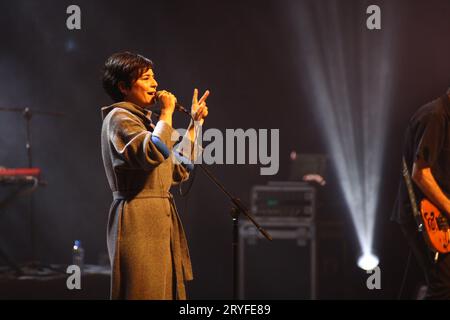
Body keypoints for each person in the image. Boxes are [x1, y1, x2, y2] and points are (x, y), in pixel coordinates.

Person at [100, 51, 209, 299]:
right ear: (124, 86)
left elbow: (178, 169)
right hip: (137, 218)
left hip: (160, 219)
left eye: (154, 77)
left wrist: (194, 125)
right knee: (143, 291)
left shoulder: (147, 124)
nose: (155, 84)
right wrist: (167, 114)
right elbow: (151, 152)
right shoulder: (119, 118)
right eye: (147, 78)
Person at [392, 88, 450, 299]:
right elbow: (421, 173)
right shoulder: (435, 116)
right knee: (444, 286)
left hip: (435, 213)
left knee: (418, 284)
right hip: (422, 213)